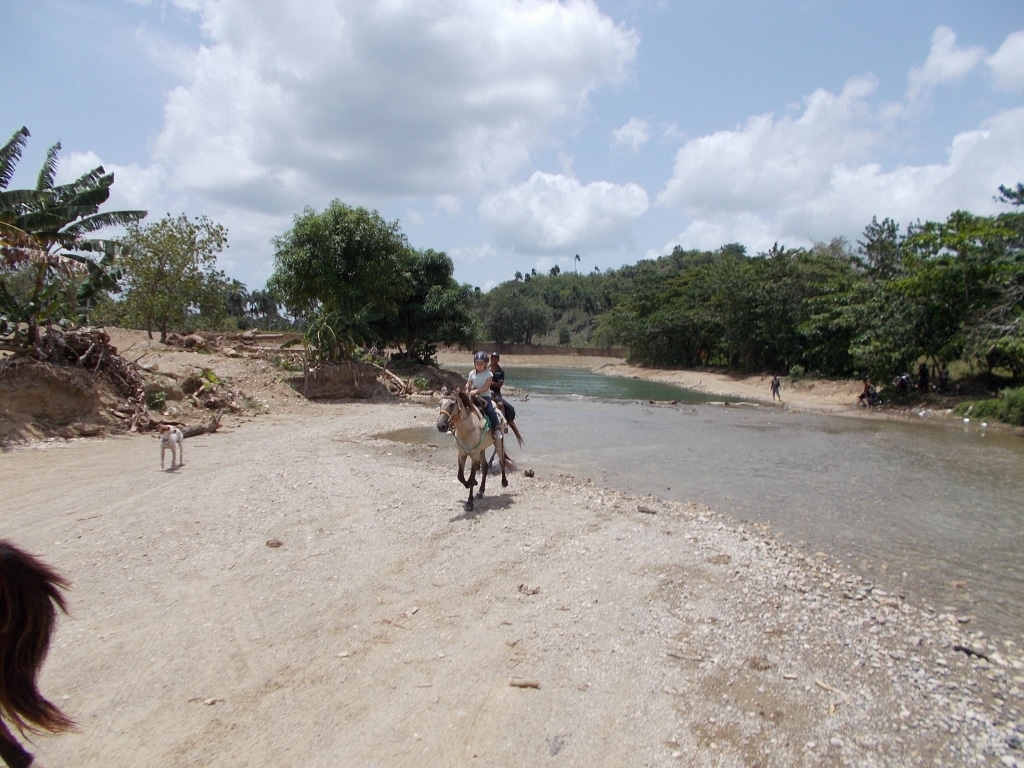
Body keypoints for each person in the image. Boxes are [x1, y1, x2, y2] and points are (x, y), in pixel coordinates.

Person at [466, 351, 502, 442]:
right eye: (477, 363)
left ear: (485, 364)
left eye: (481, 363)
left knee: (490, 410)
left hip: (485, 396)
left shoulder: (489, 374)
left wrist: (476, 391)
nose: (479, 365)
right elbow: (469, 382)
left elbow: (486, 388)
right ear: (474, 364)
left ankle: (496, 427)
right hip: (473, 395)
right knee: (462, 407)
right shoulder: (471, 373)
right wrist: (467, 387)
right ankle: (454, 425)